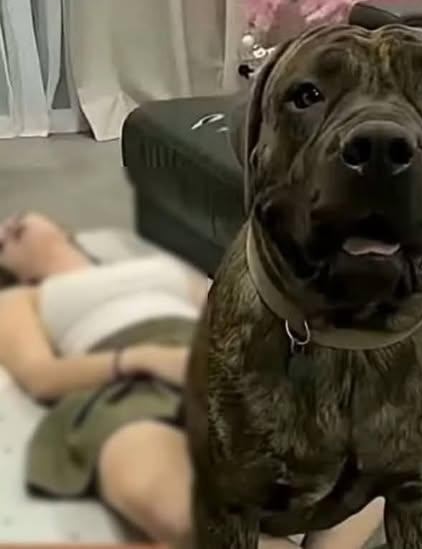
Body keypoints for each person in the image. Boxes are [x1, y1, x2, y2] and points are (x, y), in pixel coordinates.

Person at [0, 212, 384, 548]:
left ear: (61, 228)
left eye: (13, 220)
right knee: (162, 494)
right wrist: (146, 360)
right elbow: (40, 376)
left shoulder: (148, 263)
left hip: (213, 352)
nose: (5, 230)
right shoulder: (21, 299)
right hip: (125, 384)